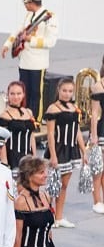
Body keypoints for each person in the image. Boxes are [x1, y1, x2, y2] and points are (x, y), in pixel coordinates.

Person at [2, 0, 58, 123]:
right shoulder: (29, 15)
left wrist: (30, 40)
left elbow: (51, 41)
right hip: (25, 60)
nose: (24, 5)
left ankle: (35, 119)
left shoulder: (49, 18)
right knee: (23, 91)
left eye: (25, 3)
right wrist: (7, 44)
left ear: (31, 3)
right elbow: (20, 30)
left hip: (38, 62)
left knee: (35, 93)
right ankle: (22, 115)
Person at [44, 77, 86, 228]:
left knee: (64, 186)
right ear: (58, 90)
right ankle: (46, 217)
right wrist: (53, 155)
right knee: (53, 186)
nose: (67, 94)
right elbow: (50, 134)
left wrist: (83, 151)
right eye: (64, 91)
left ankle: (59, 217)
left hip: (71, 150)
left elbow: (77, 131)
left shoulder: (74, 108)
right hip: (58, 150)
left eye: (70, 91)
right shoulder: (53, 109)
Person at [0, 80, 38, 178]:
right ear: (8, 95)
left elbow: (31, 136)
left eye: (19, 93)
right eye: (12, 94)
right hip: (12, 158)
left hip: (27, 156)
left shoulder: (28, 112)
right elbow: (1, 141)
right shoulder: (4, 115)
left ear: (23, 94)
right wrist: (4, 163)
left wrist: (35, 156)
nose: (16, 97)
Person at [88, 59, 104, 214]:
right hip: (102, 130)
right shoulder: (98, 86)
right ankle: (97, 200)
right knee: (98, 168)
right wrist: (94, 135)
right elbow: (94, 113)